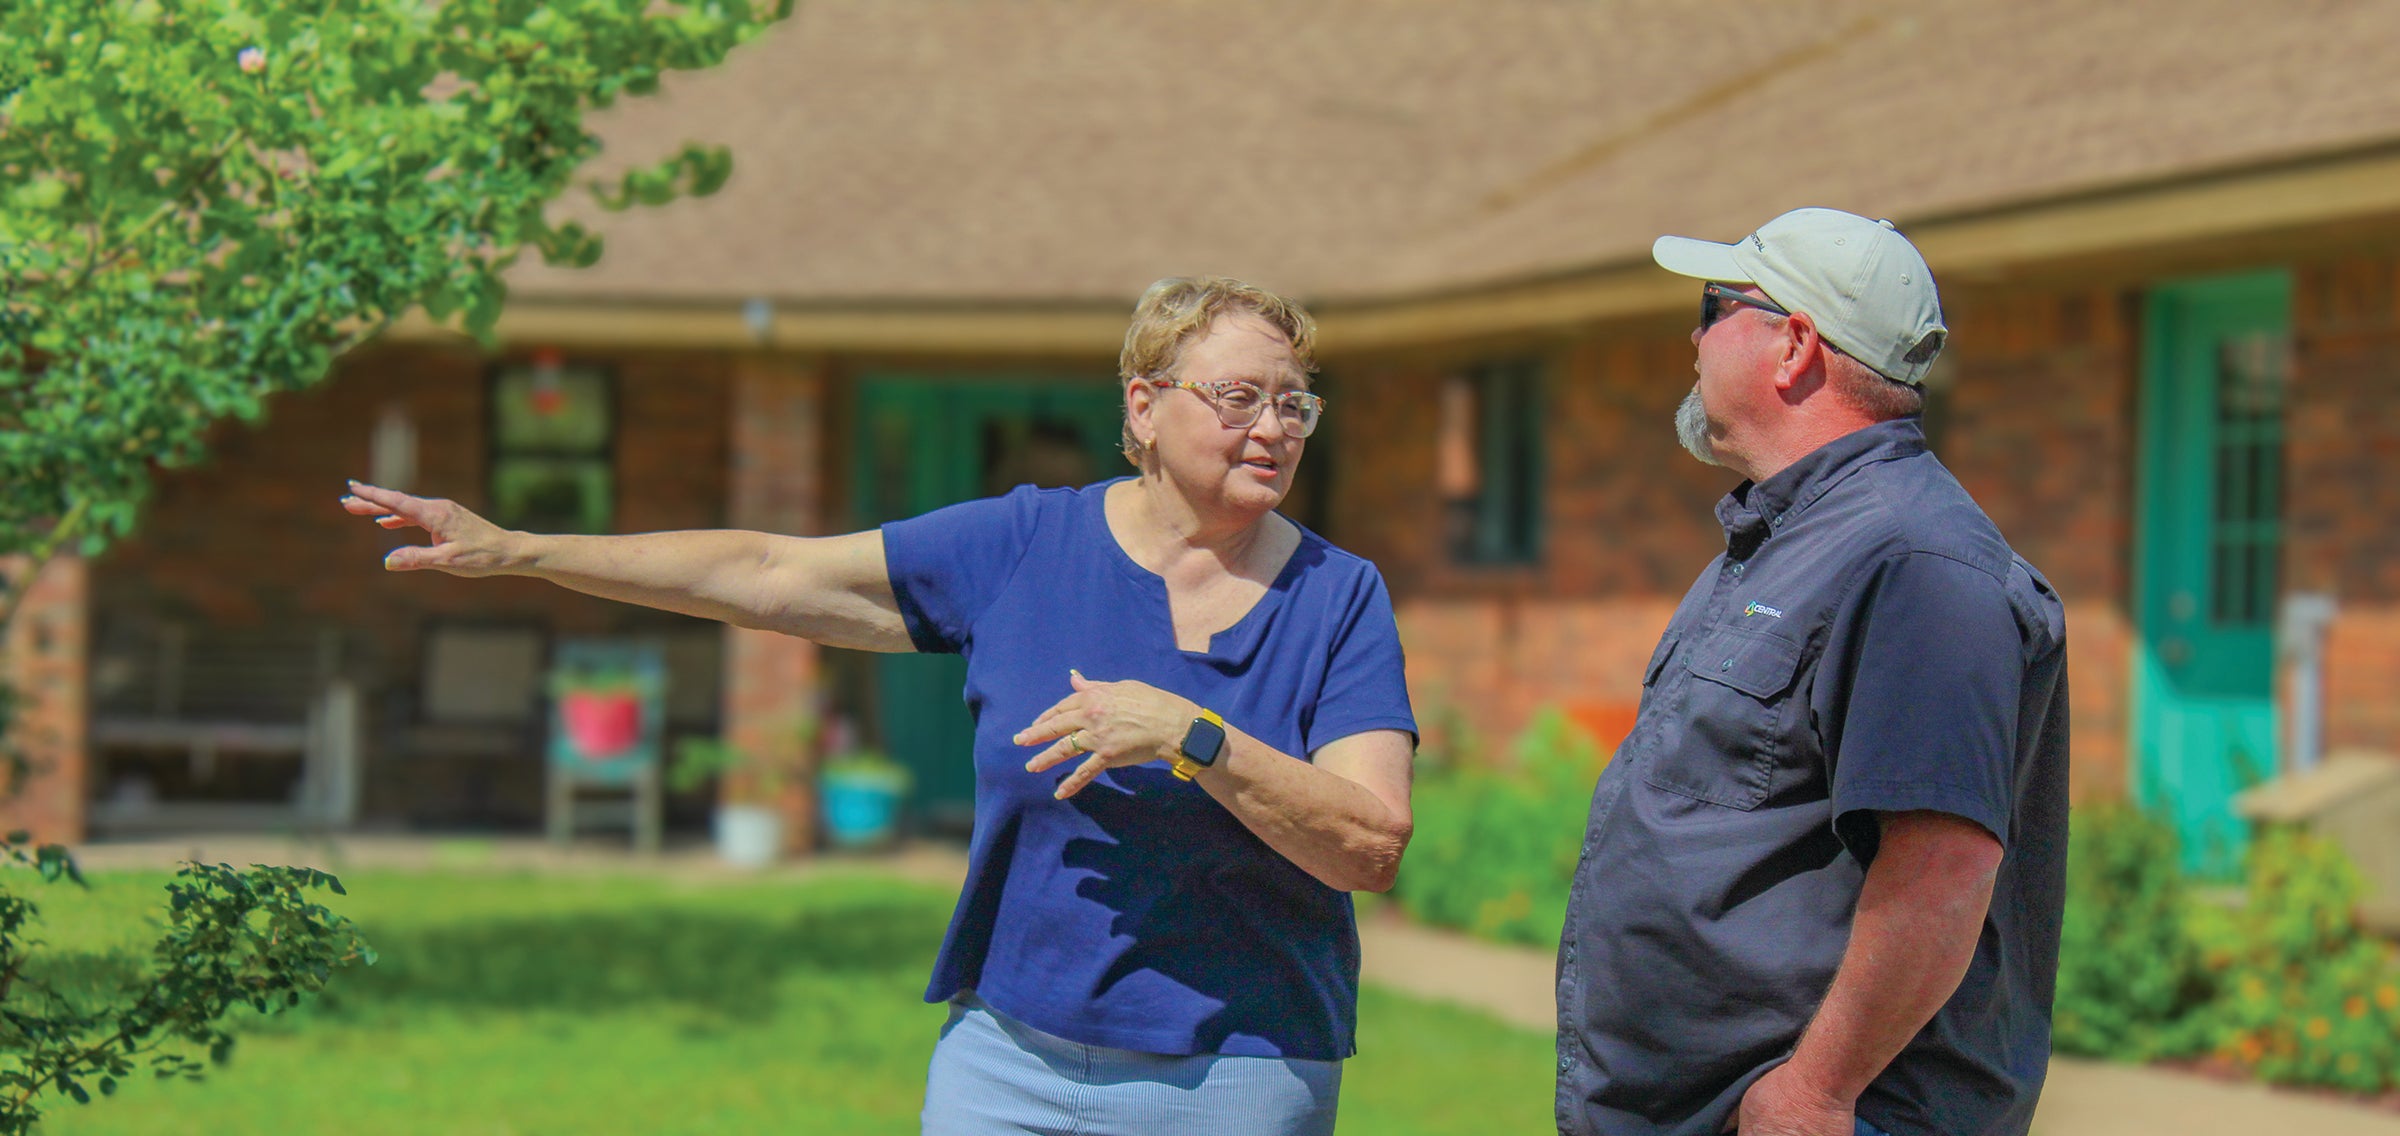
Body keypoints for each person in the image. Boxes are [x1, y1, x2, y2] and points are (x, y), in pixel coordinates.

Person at [341, 276, 1417, 1136]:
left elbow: (1368, 843)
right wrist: (523, 549)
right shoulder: (1026, 544)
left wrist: (1193, 733)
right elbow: (768, 570)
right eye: (1240, 397)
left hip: (1233, 1081)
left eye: (1293, 402)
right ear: (1144, 403)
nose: (1273, 424)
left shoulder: (1337, 595)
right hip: (1008, 1065)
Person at [1552, 209, 2069, 1136]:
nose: (1694, 337)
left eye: (1715, 308)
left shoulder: (1917, 565)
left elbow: (1943, 865)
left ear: (1793, 345)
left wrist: (1817, 1091)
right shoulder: (1788, 540)